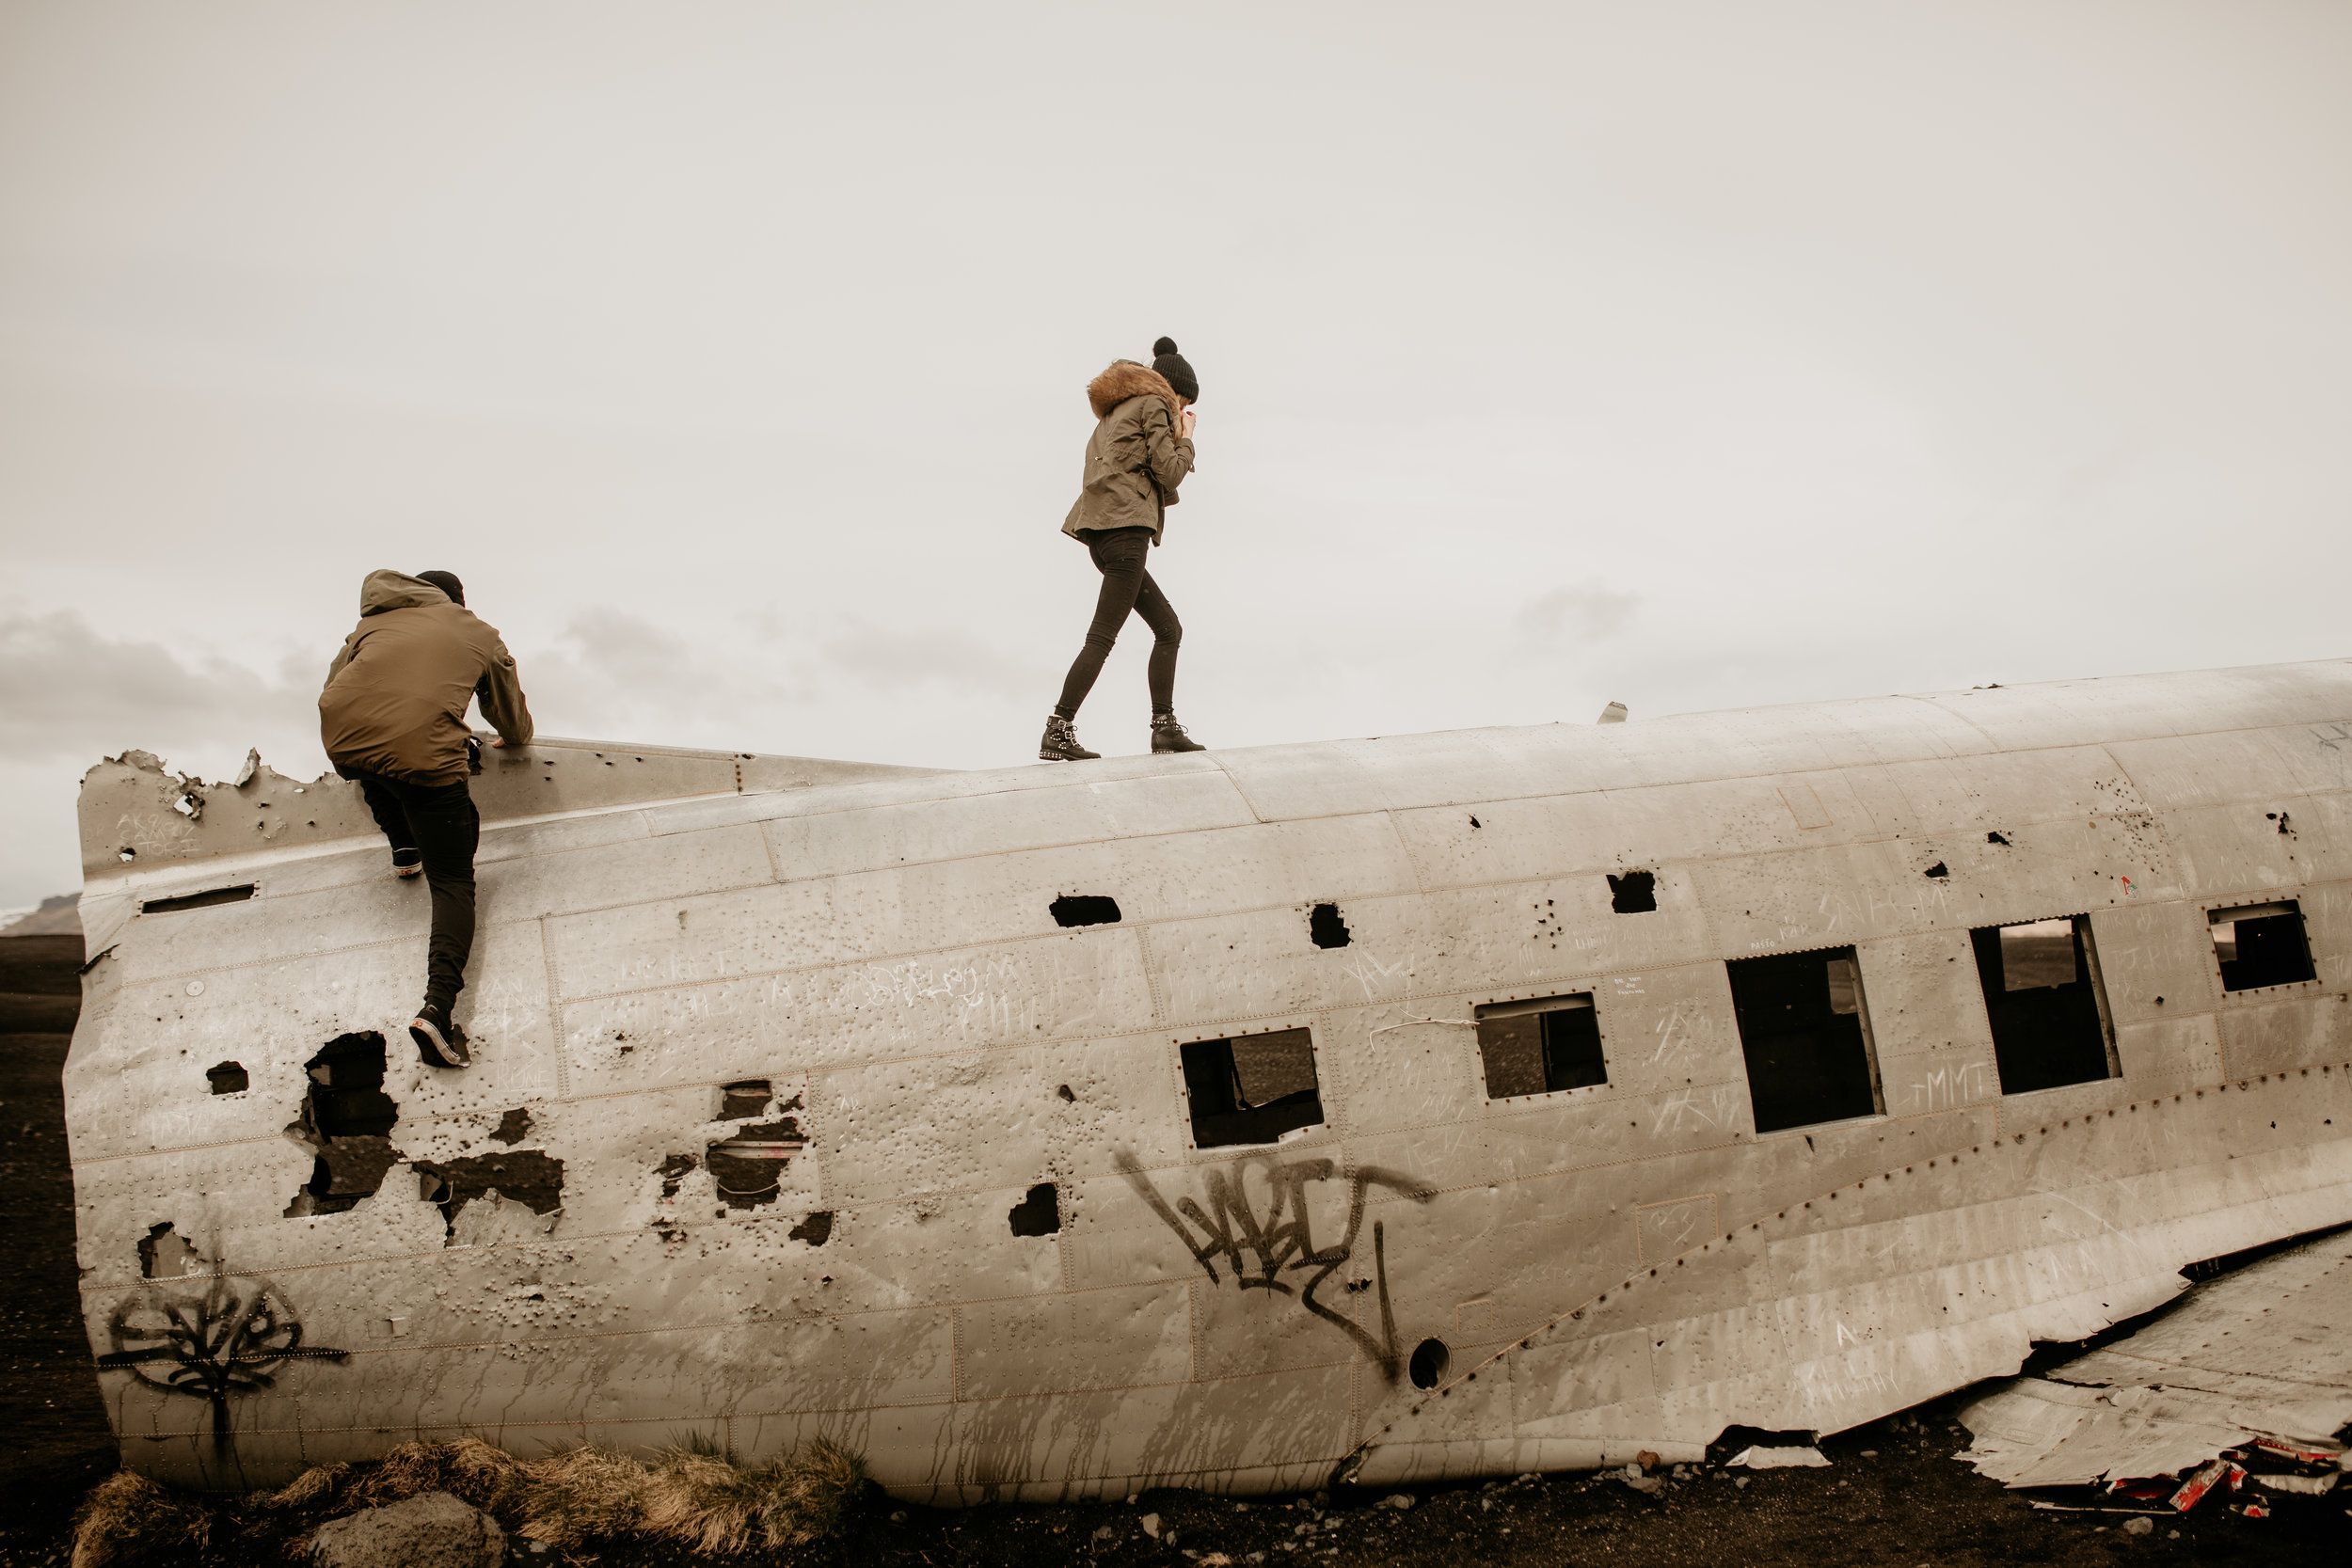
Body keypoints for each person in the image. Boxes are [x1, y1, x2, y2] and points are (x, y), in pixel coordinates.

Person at [318, 569, 532, 1068]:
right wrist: (514, 736)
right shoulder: (476, 630)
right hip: (424, 758)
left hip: (343, 743)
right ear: (456, 599)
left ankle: (403, 844)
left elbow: (338, 687)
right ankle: (437, 1009)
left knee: (374, 763)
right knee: (454, 881)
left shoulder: (370, 625)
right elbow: (507, 713)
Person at [1041, 336, 1209, 761]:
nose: (1182, 408)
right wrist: (1187, 438)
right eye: (1184, 400)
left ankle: (1164, 727)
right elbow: (1169, 473)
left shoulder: (1114, 412)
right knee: (1102, 636)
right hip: (1126, 533)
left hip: (1101, 534)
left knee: (1168, 629)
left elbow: (1132, 471)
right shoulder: (1155, 405)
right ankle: (1058, 728)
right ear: (1172, 389)